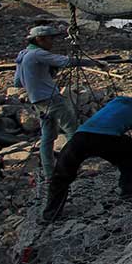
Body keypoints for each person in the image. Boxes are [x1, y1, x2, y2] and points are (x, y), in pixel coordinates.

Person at [41, 89, 132, 223]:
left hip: (80, 136)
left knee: (61, 174)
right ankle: (128, 188)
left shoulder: (118, 100)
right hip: (107, 139)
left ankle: (51, 213)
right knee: (129, 147)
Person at [14, 25, 90, 178]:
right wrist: (95, 63)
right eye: (50, 39)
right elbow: (67, 61)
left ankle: (49, 173)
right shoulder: (37, 54)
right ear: (39, 39)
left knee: (48, 137)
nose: (52, 42)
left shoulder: (22, 55)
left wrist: (41, 75)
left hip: (36, 101)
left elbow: (17, 82)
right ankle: (72, 168)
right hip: (50, 98)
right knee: (73, 131)